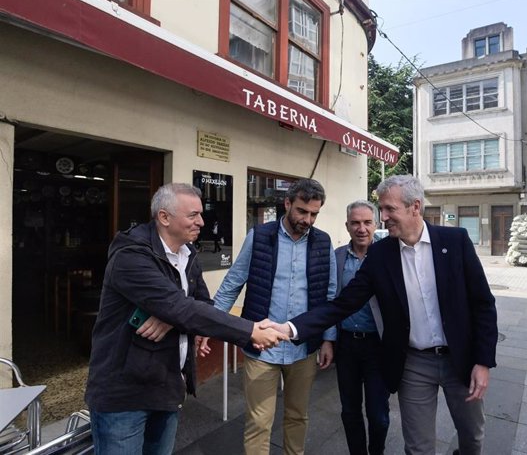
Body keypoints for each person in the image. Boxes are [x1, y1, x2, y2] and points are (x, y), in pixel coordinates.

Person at [271, 175, 498, 455]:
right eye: (383, 209)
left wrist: (483, 362)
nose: (384, 217)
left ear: (415, 207)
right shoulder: (381, 254)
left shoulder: (455, 241)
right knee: (418, 447)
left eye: (390, 209)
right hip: (414, 363)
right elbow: (344, 303)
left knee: (472, 438)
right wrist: (292, 328)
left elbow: (483, 304)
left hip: (460, 359)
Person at [85, 183, 286, 454]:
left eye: (201, 214)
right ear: (164, 217)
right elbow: (181, 307)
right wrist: (250, 330)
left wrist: (171, 316)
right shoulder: (131, 256)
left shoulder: (187, 253)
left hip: (167, 386)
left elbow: (197, 303)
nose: (202, 222)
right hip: (125, 395)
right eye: (193, 215)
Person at [208, 178, 337, 455]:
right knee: (258, 422)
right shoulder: (260, 236)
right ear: (287, 204)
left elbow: (330, 295)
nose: (308, 219)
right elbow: (233, 282)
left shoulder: (323, 242)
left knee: (298, 416)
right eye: (302, 211)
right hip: (262, 347)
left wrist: (328, 339)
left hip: (303, 348)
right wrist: (210, 325)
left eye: (314, 213)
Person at [335, 200, 389, 455]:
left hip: (377, 346)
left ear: (375, 224)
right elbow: (330, 301)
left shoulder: (389, 255)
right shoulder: (337, 257)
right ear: (347, 226)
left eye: (367, 222)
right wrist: (327, 340)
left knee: (379, 414)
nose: (361, 228)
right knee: (349, 410)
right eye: (355, 223)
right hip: (346, 345)